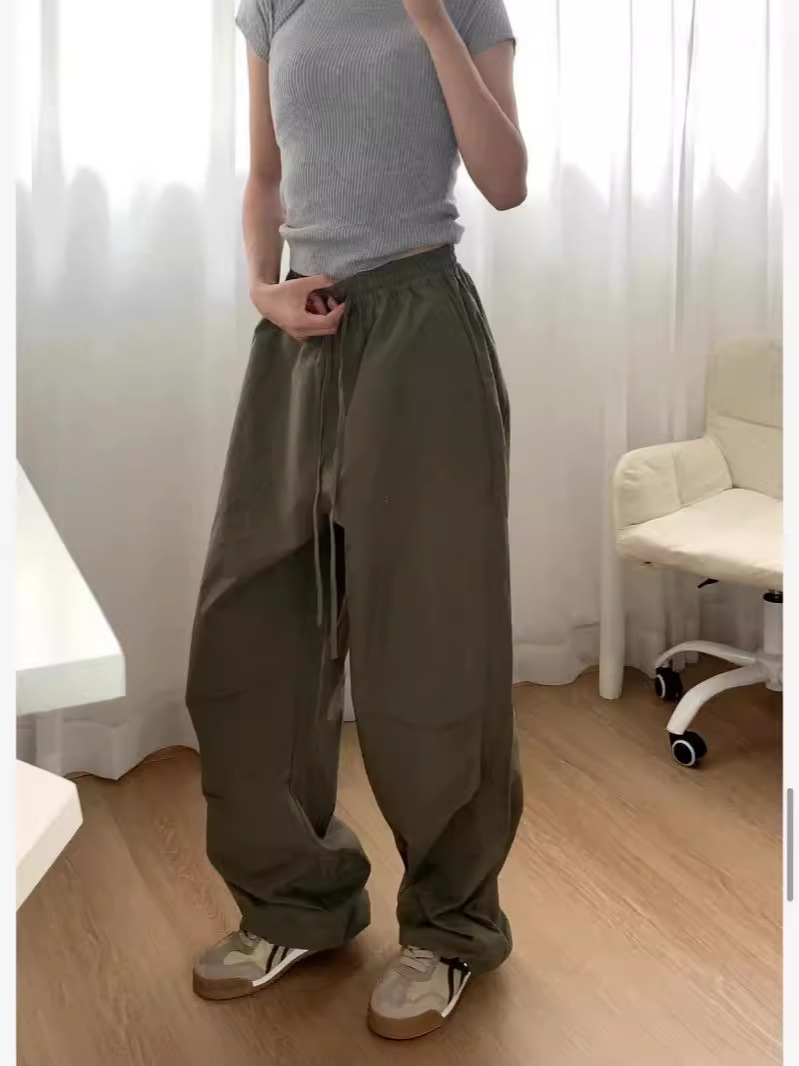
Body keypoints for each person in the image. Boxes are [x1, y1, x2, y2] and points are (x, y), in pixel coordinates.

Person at [186, 0, 527, 1041]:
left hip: (421, 327)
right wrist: (261, 288)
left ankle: (449, 926)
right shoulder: (271, 5)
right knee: (252, 630)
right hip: (301, 331)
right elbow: (266, 177)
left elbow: (506, 180)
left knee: (430, 642)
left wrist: (430, 21)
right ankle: (296, 903)